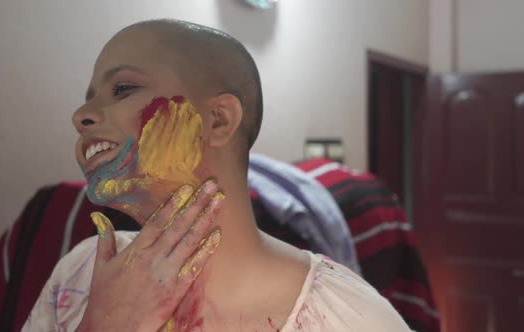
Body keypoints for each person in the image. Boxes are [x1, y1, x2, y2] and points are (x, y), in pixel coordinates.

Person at [23, 19, 411, 331]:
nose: (81, 115)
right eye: (89, 96)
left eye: (122, 88)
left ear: (218, 119)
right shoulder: (80, 274)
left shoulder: (351, 318)